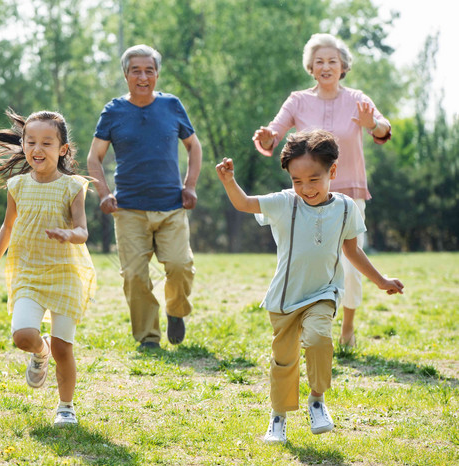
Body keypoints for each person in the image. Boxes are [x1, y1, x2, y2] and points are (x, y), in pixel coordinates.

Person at [216, 129, 404, 444]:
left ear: (332, 171)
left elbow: (352, 251)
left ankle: (317, 400)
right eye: (297, 181)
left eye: (314, 179)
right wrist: (228, 181)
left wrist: (381, 280)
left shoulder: (345, 208)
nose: (305, 188)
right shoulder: (283, 203)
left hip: (323, 294)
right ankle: (278, 418)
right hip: (284, 299)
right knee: (284, 361)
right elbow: (246, 204)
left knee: (319, 339)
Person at [252, 33, 392, 347]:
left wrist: (373, 124)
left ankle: (348, 328)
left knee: (350, 260)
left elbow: (383, 128)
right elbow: (274, 132)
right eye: (319, 62)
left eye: (332, 61)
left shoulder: (357, 98)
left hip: (349, 194)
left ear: (343, 67)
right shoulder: (298, 100)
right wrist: (265, 137)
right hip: (309, 196)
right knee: (306, 258)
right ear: (310, 68)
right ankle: (304, 319)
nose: (326, 66)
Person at [0, 109, 96, 427]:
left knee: (63, 348)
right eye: (31, 141)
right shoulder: (17, 185)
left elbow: (83, 231)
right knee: (22, 335)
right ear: (24, 144)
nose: (37, 148)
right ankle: (39, 351)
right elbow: (8, 226)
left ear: (62, 150)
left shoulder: (73, 186)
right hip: (28, 272)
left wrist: (68, 234)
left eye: (47, 142)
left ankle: (66, 407)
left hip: (65, 274)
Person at [87, 44, 202, 350]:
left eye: (149, 70)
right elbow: (94, 158)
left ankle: (176, 311)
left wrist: (189, 186)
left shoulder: (172, 106)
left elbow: (194, 147)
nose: (142, 76)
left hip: (171, 207)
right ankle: (148, 338)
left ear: (156, 74)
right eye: (136, 70)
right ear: (126, 74)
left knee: (180, 266)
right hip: (129, 210)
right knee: (134, 276)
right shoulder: (113, 112)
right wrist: (104, 193)